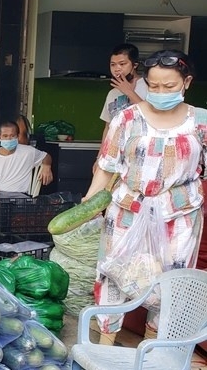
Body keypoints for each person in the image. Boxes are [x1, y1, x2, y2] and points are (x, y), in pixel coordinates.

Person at [85, 49, 205, 345]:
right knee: (114, 276)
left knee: (169, 282)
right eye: (153, 86)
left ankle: (151, 353)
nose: (160, 92)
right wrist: (85, 208)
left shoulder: (201, 122)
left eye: (169, 86)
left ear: (186, 83)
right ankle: (105, 349)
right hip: (128, 211)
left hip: (178, 217)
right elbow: (105, 168)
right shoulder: (125, 119)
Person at [0, 121, 53, 224]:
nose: (9, 139)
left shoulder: (28, 152)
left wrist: (47, 167)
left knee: (32, 207)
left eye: (12, 136)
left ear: (17, 137)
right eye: (5, 136)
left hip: (20, 197)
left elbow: (46, 156)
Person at [100, 43, 149, 140]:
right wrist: (100, 154)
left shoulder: (150, 86)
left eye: (122, 64)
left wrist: (129, 92)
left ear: (135, 65)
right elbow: (107, 127)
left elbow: (154, 117)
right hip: (114, 153)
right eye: (113, 65)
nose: (117, 68)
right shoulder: (112, 93)